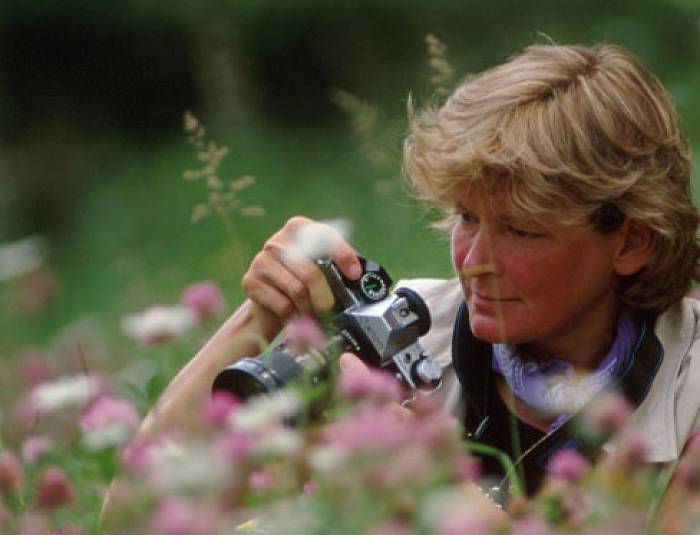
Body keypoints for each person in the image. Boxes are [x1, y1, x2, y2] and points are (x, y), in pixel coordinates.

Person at [142, 43, 700, 496]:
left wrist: (436, 492)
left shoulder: (689, 387)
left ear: (631, 242)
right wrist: (261, 317)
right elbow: (134, 517)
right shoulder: (406, 331)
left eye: (522, 231)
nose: (474, 264)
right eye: (466, 218)